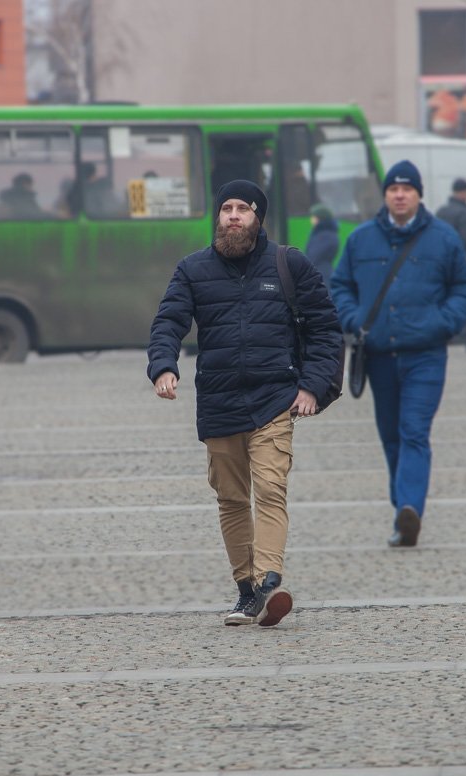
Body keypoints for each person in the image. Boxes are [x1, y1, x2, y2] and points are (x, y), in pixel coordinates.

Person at [148, 180, 342, 627]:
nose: (233, 215)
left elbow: (325, 330)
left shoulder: (289, 264)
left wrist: (311, 387)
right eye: (226, 208)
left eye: (243, 209)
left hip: (274, 399)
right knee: (232, 498)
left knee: (271, 488)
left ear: (258, 218)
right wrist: (163, 366)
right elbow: (168, 322)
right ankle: (246, 590)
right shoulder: (192, 270)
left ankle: (269, 578)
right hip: (218, 403)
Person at [329, 160, 466, 548]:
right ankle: (403, 514)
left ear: (418, 194)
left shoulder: (443, 238)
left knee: (414, 432)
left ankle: (409, 507)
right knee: (391, 437)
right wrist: (353, 317)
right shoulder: (361, 239)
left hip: (426, 355)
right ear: (385, 195)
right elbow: (340, 284)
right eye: (393, 189)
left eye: (407, 189)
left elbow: (464, 284)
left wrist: (445, 321)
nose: (399, 195)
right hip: (378, 356)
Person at [435, 178, 466, 352]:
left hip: (441, 262)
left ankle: (440, 339)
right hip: (461, 262)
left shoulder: (441, 211)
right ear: (463, 193)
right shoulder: (464, 212)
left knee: (442, 302)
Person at [304, 203, 340, 286]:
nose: (311, 220)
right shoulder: (322, 233)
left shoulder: (325, 235)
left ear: (319, 218)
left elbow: (313, 257)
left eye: (313, 217)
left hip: (322, 274)